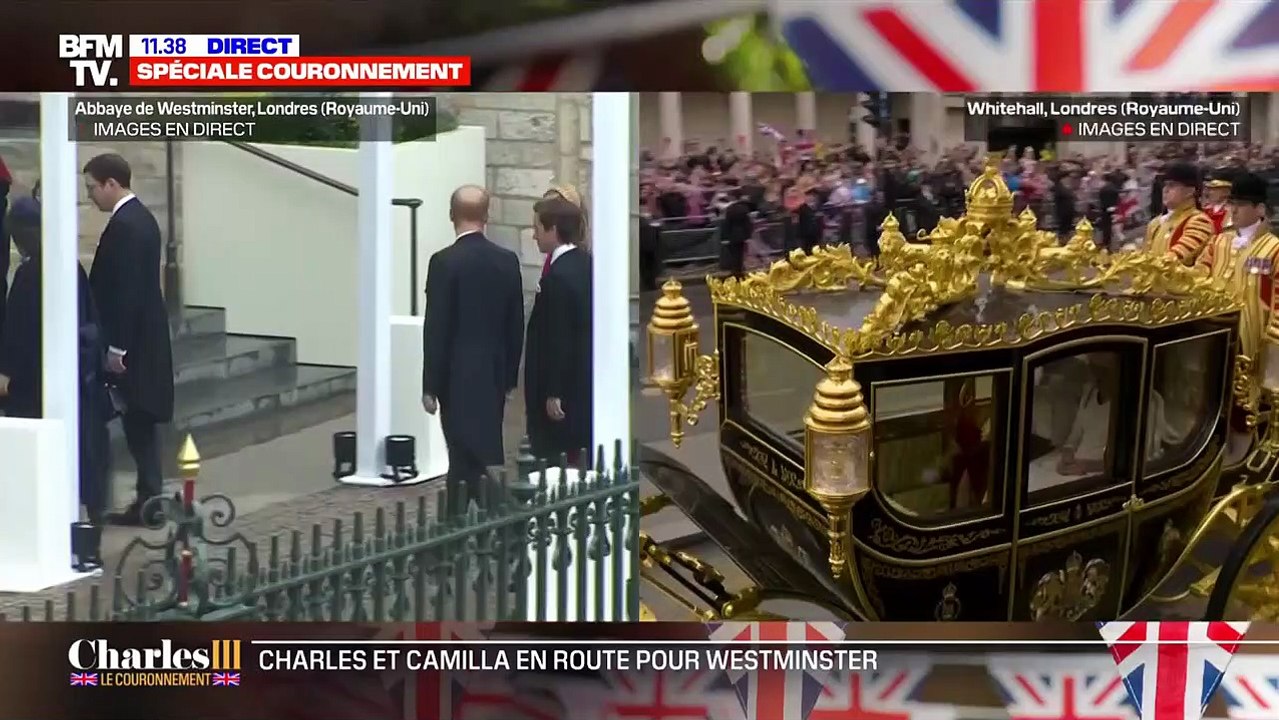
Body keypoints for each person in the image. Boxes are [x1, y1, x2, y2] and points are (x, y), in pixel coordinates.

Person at [0, 197, 112, 535]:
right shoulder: (69, 265)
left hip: (33, 381)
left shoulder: (30, 274)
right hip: (74, 373)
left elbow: (18, 331)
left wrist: (6, 374)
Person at [84, 153, 175, 526]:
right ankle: (149, 497)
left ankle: (150, 500)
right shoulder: (142, 219)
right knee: (140, 423)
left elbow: (125, 292)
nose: (90, 196)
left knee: (137, 420)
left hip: (132, 343)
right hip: (145, 336)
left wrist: (117, 347)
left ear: (111, 183)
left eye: (92, 187)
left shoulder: (125, 226)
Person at [421, 185, 523, 515]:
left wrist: (430, 384)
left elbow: (437, 327)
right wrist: (509, 378)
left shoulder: (444, 262)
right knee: (479, 450)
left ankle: (476, 517)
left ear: (452, 216)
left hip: (455, 375)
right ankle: (471, 516)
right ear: (487, 215)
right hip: (492, 373)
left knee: (463, 452)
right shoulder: (507, 262)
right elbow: (514, 325)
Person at [1194, 171, 1278, 462]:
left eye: (1241, 205)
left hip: (1254, 337)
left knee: (1246, 398)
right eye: (1232, 204)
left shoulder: (1274, 249)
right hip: (1215, 330)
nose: (1233, 210)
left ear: (1260, 210)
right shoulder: (1219, 243)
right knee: (1212, 391)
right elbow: (1197, 276)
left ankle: (1245, 452)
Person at [524, 196, 592, 466]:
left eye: (538, 229)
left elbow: (559, 337)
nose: (534, 236)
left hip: (562, 389)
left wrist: (554, 391)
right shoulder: (586, 263)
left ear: (553, 230)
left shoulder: (559, 277)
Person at [1134, 161, 1213, 265]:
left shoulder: (1199, 221)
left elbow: (1178, 257)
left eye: (1172, 185)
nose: (1165, 190)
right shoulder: (1155, 223)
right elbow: (1144, 255)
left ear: (1190, 191)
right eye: (1165, 185)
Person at [1202, 170, 1233, 234]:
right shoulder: (1205, 209)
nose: (1209, 192)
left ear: (1226, 192)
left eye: (1214, 189)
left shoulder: (1231, 212)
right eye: (1209, 189)